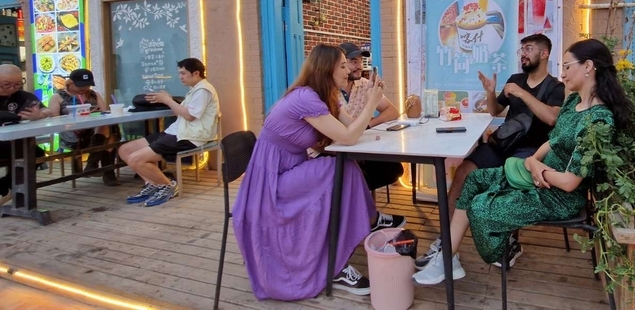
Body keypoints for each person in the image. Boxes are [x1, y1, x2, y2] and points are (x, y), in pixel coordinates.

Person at [413, 39, 633, 284]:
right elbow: (554, 140)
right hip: (537, 173)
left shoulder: (598, 121)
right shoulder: (573, 103)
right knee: (472, 178)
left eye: (568, 66)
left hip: (558, 195)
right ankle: (447, 261)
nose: (564, 72)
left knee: (480, 207)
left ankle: (504, 249)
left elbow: (570, 183)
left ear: (588, 66)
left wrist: (537, 166)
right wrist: (534, 160)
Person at [232, 44, 406, 301]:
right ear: (327, 70)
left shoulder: (328, 95)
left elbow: (350, 127)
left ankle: (364, 224)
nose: (348, 70)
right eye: (343, 66)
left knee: (344, 166)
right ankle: (357, 236)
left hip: (292, 167)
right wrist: (371, 103)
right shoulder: (305, 98)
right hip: (271, 181)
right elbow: (348, 137)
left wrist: (368, 103)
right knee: (336, 168)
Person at [416, 33, 565, 270]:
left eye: (528, 49)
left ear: (544, 53)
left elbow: (552, 119)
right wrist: (490, 91)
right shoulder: (516, 79)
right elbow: (495, 111)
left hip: (531, 152)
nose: (523, 54)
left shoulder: (555, 87)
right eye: (522, 50)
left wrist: (521, 93)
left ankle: (511, 241)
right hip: (503, 145)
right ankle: (446, 242)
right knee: (464, 171)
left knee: (510, 183)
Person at [118, 58, 219, 207]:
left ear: (196, 73)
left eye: (183, 73)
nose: (180, 77)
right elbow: (184, 113)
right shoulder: (195, 90)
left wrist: (168, 101)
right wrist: (170, 100)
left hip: (190, 137)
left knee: (135, 159)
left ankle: (168, 186)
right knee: (125, 150)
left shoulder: (203, 90)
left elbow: (190, 116)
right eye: (179, 73)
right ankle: (153, 183)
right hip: (175, 132)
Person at [335, 42, 405, 198]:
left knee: (394, 169)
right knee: (360, 174)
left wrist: (369, 124)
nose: (359, 66)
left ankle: (363, 211)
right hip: (335, 149)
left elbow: (393, 111)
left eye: (361, 61)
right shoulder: (328, 90)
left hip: (358, 145)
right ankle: (362, 212)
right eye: (353, 62)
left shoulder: (365, 84)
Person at [47, 69, 120, 186]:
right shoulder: (58, 97)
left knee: (108, 128)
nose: (84, 88)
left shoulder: (94, 95)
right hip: (71, 133)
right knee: (109, 135)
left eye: (87, 85)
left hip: (94, 132)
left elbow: (104, 114)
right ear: (70, 83)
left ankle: (93, 164)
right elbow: (54, 119)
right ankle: (106, 171)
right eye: (80, 85)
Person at [0, 64, 49, 197]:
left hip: (13, 141)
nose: (12, 89)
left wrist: (40, 114)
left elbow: (47, 110)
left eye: (17, 84)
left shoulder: (22, 96)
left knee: (35, 151)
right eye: (6, 84)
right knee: (27, 150)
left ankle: (10, 185)